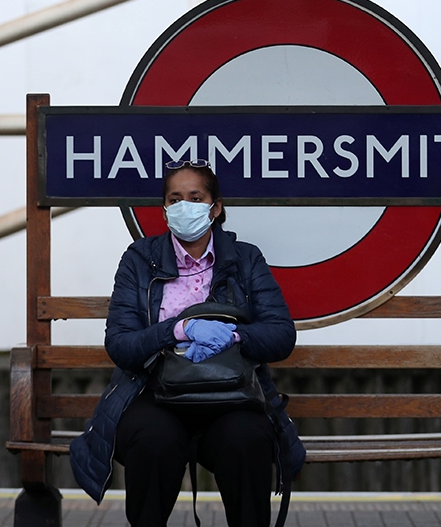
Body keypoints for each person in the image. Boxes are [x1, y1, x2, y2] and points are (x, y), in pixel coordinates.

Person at [70, 160, 306, 527]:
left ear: (216, 207)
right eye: (175, 199)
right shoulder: (139, 259)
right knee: (153, 441)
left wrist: (233, 336)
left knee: (247, 439)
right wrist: (178, 330)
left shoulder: (246, 259)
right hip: (154, 393)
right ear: (165, 210)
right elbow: (120, 345)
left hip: (232, 394)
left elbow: (281, 334)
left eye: (195, 197)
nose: (185, 206)